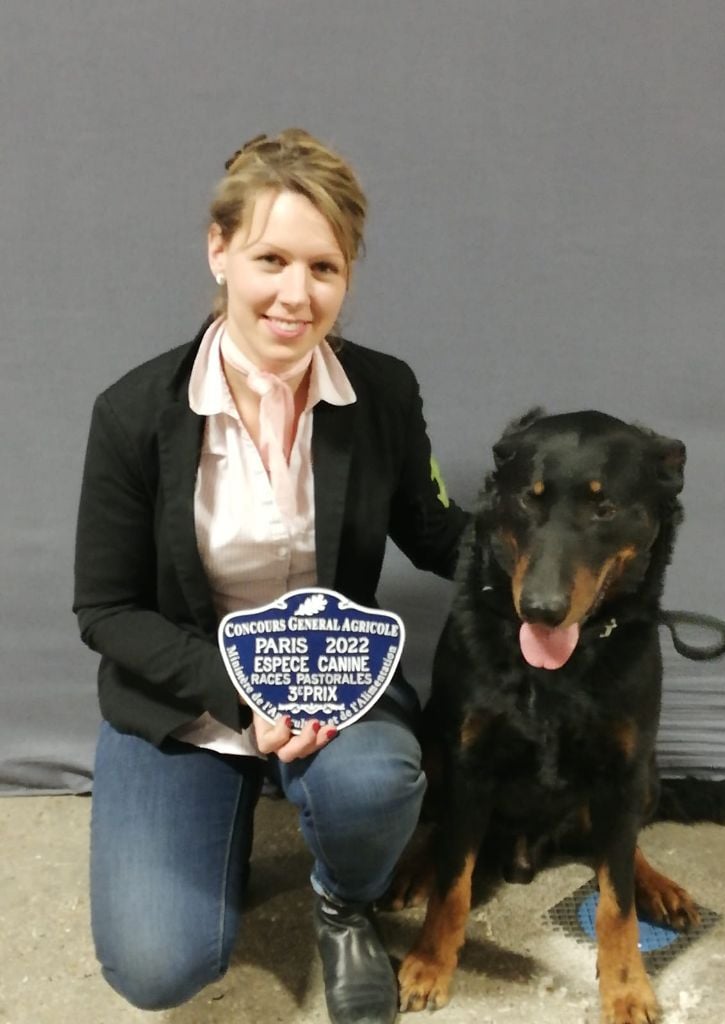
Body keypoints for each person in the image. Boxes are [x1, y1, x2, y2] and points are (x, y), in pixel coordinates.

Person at [73, 128, 469, 1024]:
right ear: (219, 251)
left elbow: (439, 534)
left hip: (334, 681)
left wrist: (555, 556)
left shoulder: (384, 394)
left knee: (378, 783)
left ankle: (342, 900)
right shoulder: (135, 413)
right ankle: (218, 815)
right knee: (156, 965)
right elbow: (105, 610)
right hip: (186, 693)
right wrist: (239, 693)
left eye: (324, 268)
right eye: (271, 258)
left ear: (348, 275)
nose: (297, 295)